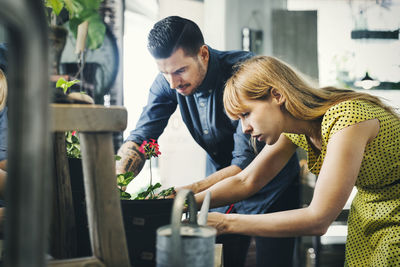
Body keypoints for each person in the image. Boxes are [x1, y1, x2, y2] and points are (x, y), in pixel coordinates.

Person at [117, 16, 300, 266]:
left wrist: (179, 196)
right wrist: (117, 183)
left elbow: (243, 167)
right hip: (218, 189)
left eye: (180, 71)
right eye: (165, 73)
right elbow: (141, 138)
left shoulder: (244, 73)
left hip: (271, 190)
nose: (173, 83)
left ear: (203, 54)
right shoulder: (170, 81)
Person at [196, 55, 400, 266]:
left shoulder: (347, 119)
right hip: (368, 211)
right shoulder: (295, 130)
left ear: (277, 95)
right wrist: (184, 202)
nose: (244, 128)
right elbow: (246, 181)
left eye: (246, 113)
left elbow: (318, 219)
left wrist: (225, 223)